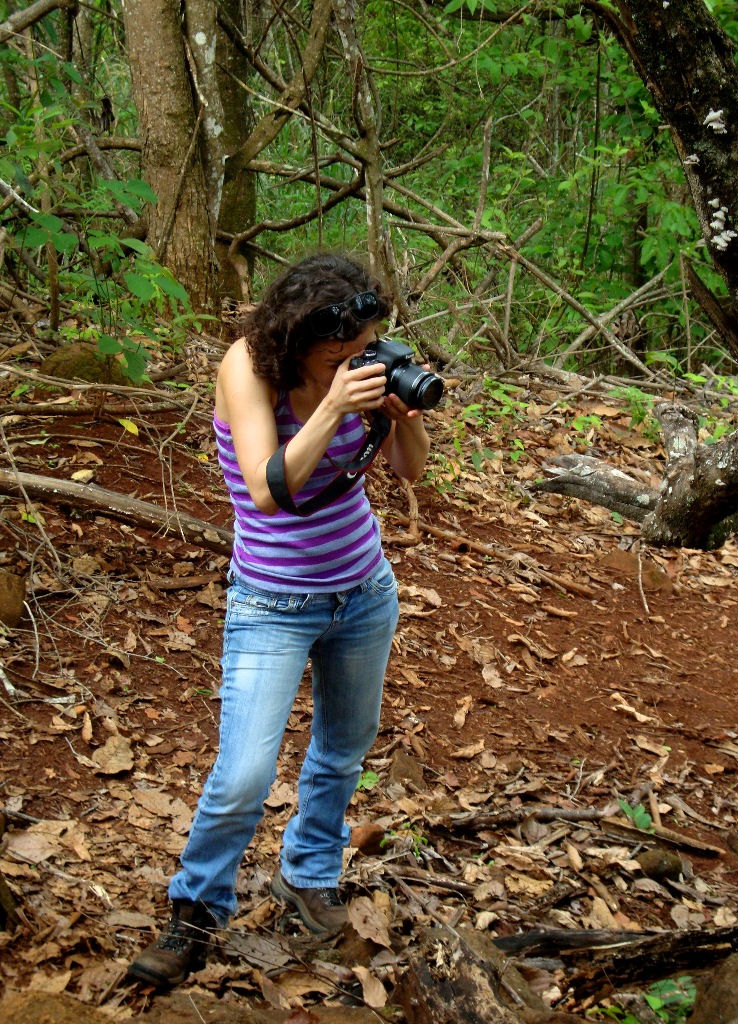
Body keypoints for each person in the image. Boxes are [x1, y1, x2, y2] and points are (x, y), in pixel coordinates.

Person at [127, 252, 430, 988]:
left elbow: (410, 472)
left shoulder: (360, 372)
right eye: (339, 357)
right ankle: (197, 908)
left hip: (363, 591)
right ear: (297, 343)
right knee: (244, 775)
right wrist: (331, 407)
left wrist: (400, 418)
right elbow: (269, 490)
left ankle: (308, 874)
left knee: (341, 753)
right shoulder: (248, 368)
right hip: (272, 602)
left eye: (365, 351)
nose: (355, 365)